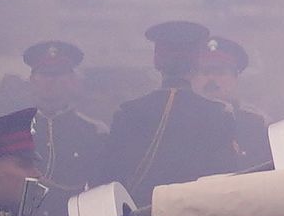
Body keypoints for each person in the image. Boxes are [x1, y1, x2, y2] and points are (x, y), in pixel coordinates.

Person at [95, 20, 254, 196]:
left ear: (157, 61)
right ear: (195, 62)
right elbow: (225, 183)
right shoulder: (217, 114)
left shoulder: (129, 113)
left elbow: (108, 182)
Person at [20, 41, 107, 193]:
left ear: (72, 81)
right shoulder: (17, 131)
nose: (51, 81)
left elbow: (102, 185)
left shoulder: (94, 131)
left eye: (58, 74)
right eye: (44, 74)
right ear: (32, 80)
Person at [193, 33, 275, 165]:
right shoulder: (183, 119)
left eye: (220, 72)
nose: (211, 79)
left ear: (235, 78)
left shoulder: (257, 125)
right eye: (205, 72)